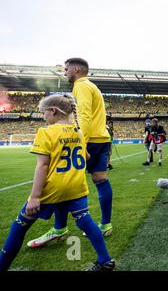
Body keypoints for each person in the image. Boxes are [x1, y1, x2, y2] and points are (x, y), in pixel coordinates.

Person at [0, 94, 115, 271]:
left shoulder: (45, 132)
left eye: (44, 113)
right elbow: (86, 157)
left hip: (52, 189)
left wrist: (35, 197)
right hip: (76, 188)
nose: (43, 117)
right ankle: (105, 260)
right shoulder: (78, 132)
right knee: (86, 222)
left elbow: (42, 165)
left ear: (53, 111)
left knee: (19, 226)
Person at [27, 58, 114, 248]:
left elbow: (84, 115)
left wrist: (82, 144)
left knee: (63, 178)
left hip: (88, 139)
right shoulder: (92, 86)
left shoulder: (81, 86)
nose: (65, 73)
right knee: (101, 180)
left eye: (66, 70)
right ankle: (105, 224)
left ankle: (59, 228)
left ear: (76, 69)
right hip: (102, 138)